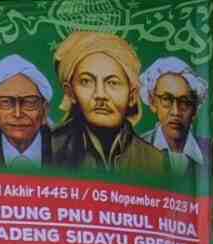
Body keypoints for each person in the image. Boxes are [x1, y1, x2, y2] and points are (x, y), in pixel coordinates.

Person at [47, 31, 168, 175]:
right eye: (86, 81)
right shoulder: (47, 149)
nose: (100, 95)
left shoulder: (154, 161)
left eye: (112, 83)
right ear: (70, 93)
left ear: (132, 96)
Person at [141, 57, 212, 181]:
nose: (176, 112)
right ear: (152, 103)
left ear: (195, 109)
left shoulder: (211, 152)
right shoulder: (135, 150)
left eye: (184, 102)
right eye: (166, 99)